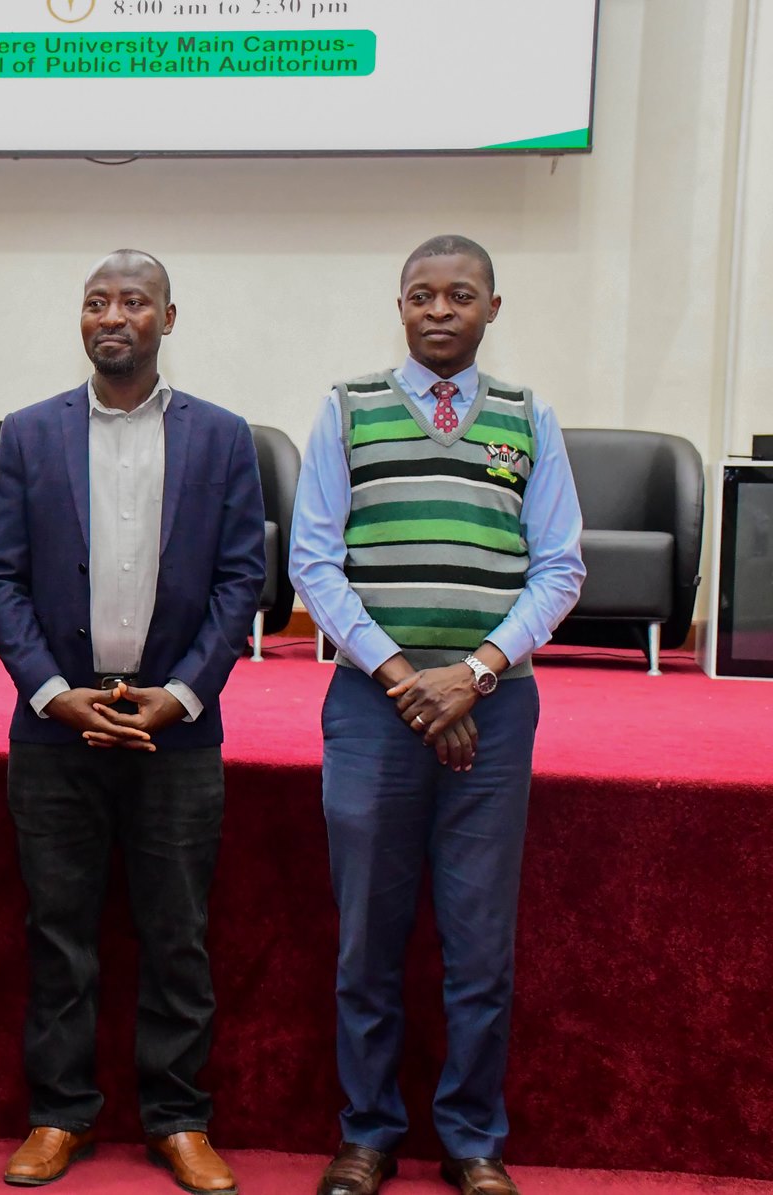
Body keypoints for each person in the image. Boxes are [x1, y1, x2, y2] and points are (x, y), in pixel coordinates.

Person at [288, 236, 585, 1195]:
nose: (440, 309)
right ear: (400, 305)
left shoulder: (530, 417)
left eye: (462, 294)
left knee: (479, 942)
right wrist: (409, 678)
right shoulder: (346, 410)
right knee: (367, 939)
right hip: (374, 708)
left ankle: (472, 1139)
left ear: (494, 306)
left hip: (497, 710)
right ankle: (368, 1132)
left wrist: (478, 672)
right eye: (422, 294)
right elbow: (315, 562)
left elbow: (560, 566)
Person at [0, 250, 267, 1195]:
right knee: (59, 930)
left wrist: (181, 693)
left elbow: (241, 580)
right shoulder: (28, 433)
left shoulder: (225, 438)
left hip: (174, 725)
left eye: (134, 301)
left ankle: (179, 1119)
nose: (113, 315)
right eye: (97, 301)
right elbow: (4, 578)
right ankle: (59, 1113)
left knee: (176, 931)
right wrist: (50, 689)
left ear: (168, 319)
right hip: (57, 723)